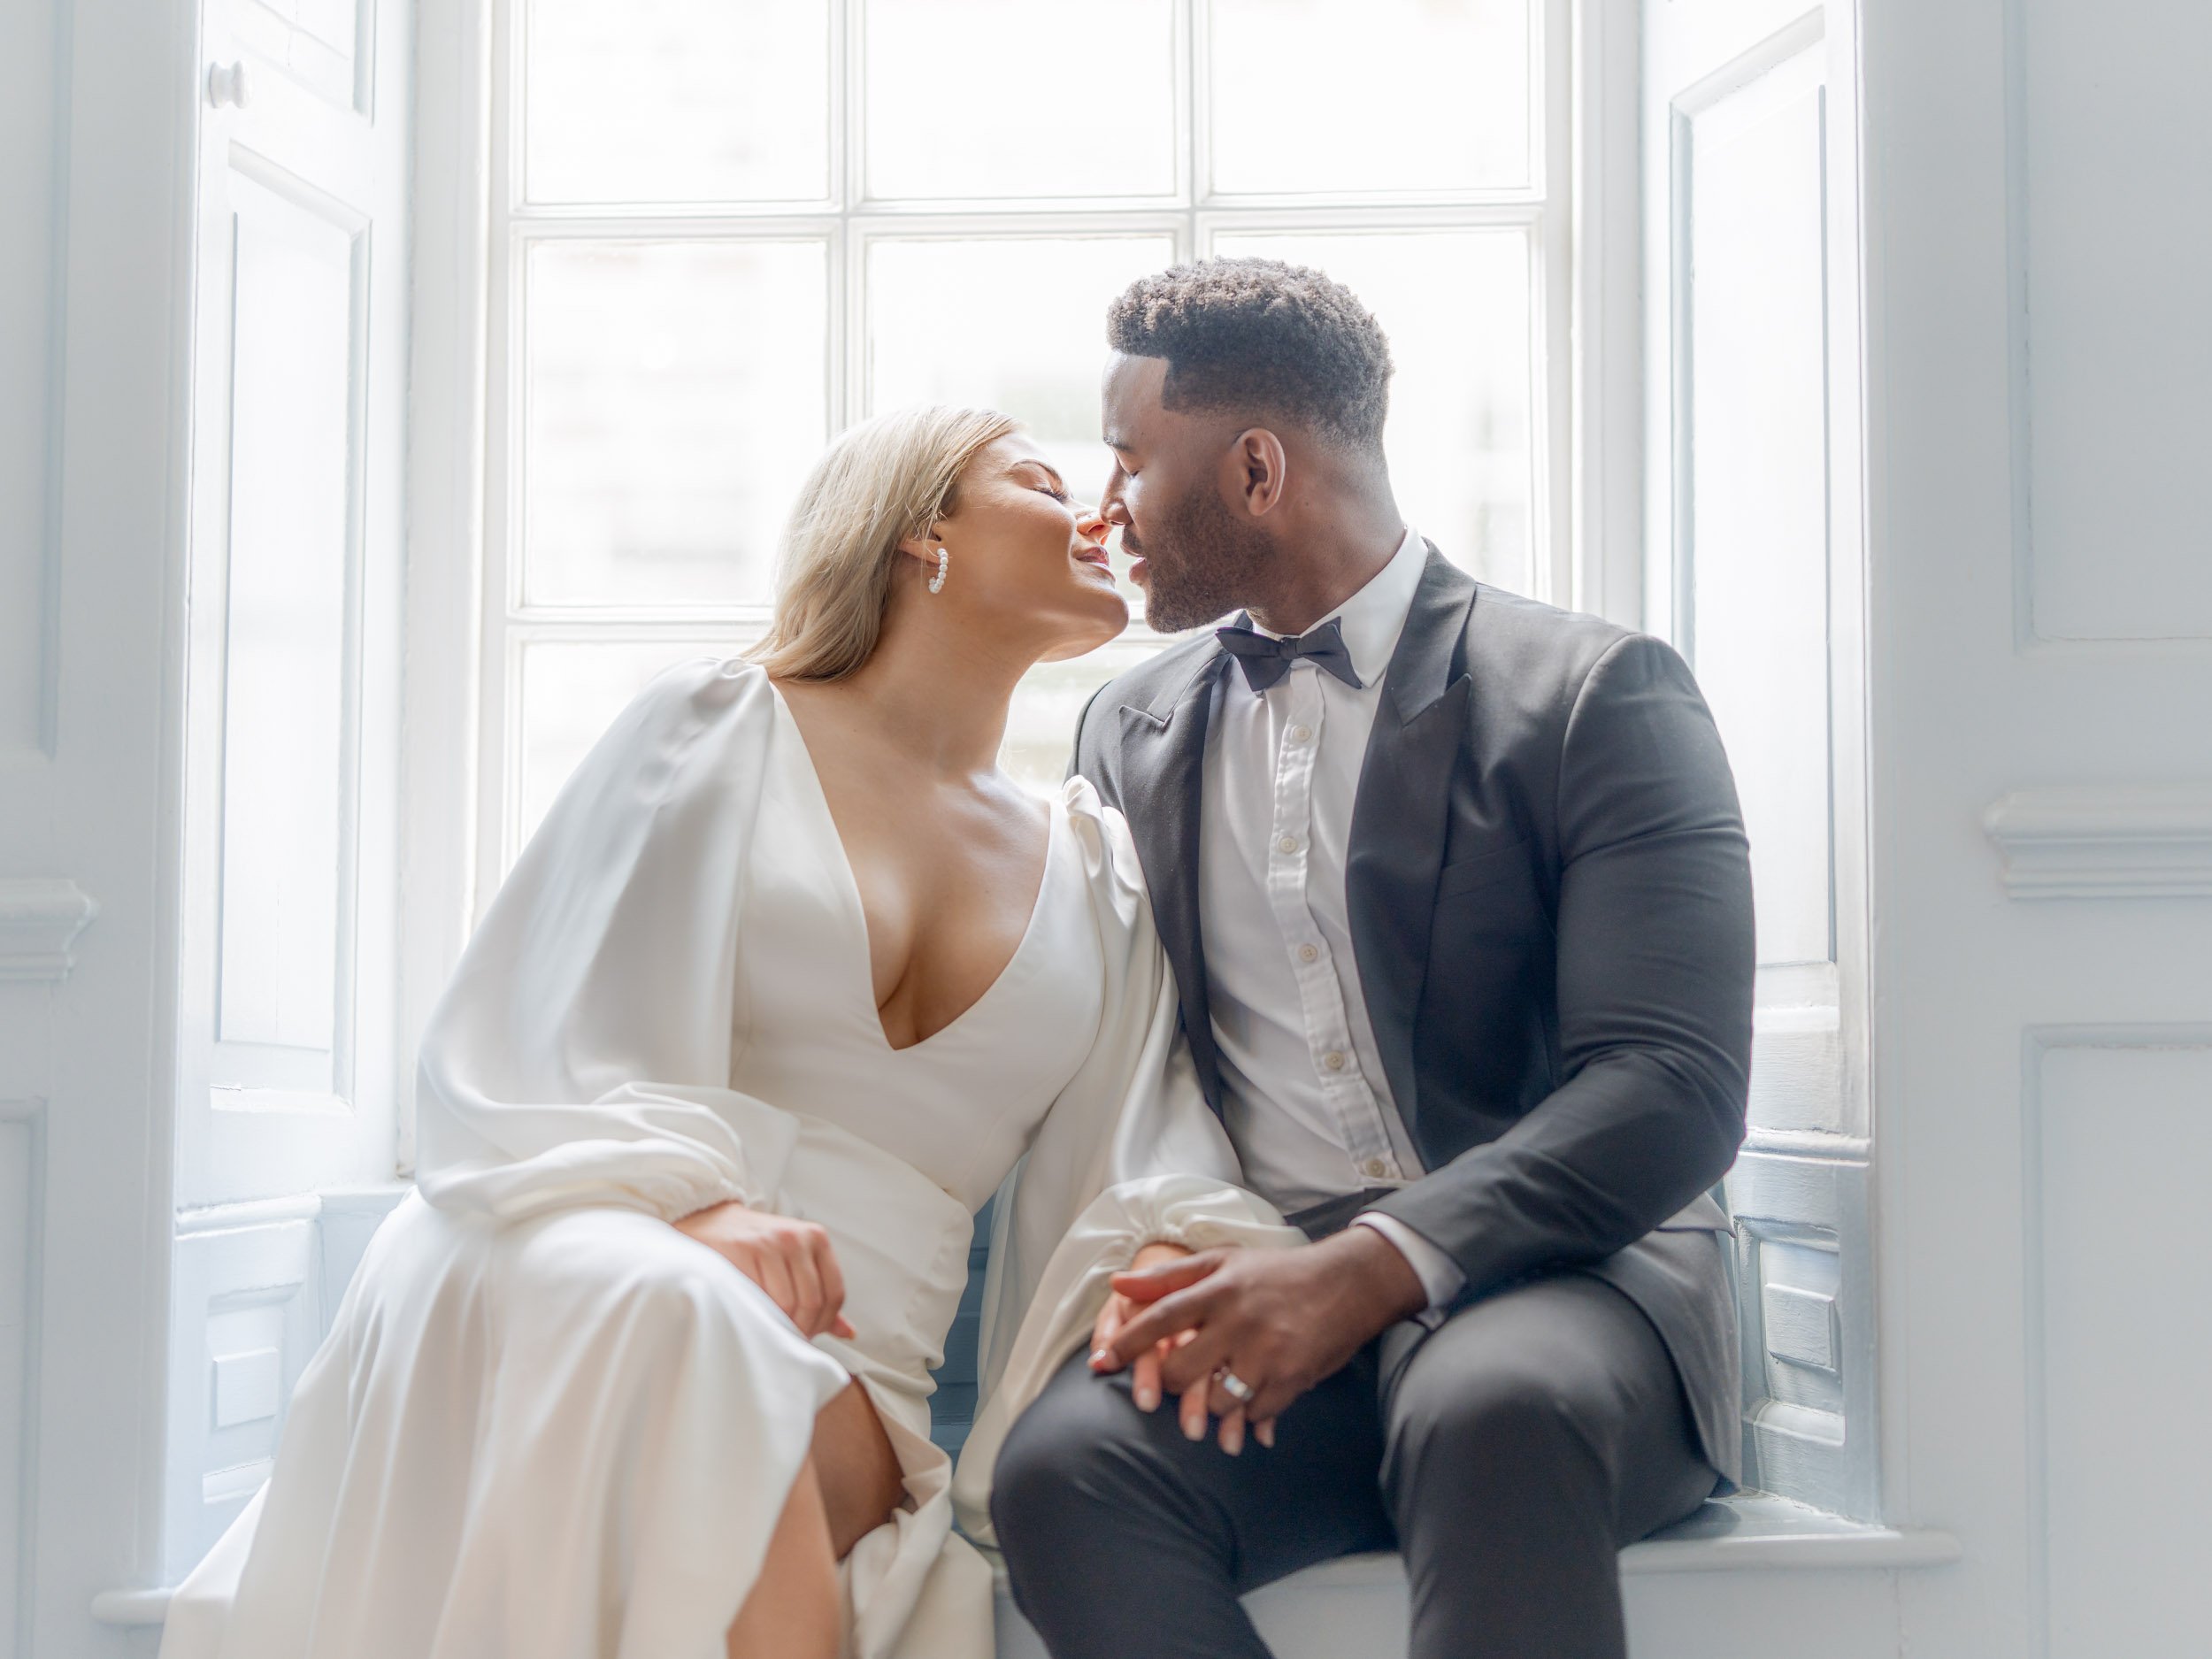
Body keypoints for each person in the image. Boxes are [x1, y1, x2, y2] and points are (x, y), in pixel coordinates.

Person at [158, 405, 1302, 1659]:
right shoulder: (712, 728)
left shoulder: (1095, 870)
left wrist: (1193, 1268)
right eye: (1038, 482)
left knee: (733, 1372)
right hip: (581, 1241)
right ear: (921, 529)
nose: (1098, 513)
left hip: (855, 1362)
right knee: (684, 1316)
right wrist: (683, 1204)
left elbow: (1138, 1157)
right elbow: (522, 1036)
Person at [983, 259, 1756, 1659]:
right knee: (1067, 1465)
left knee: (1490, 1411)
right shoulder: (1128, 729)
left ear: (1258, 469)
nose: (1104, 514)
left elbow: (1672, 1085)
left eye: (1128, 465)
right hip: (1277, 1297)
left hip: (1572, 1286)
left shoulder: (1597, 694)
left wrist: (1378, 1268)